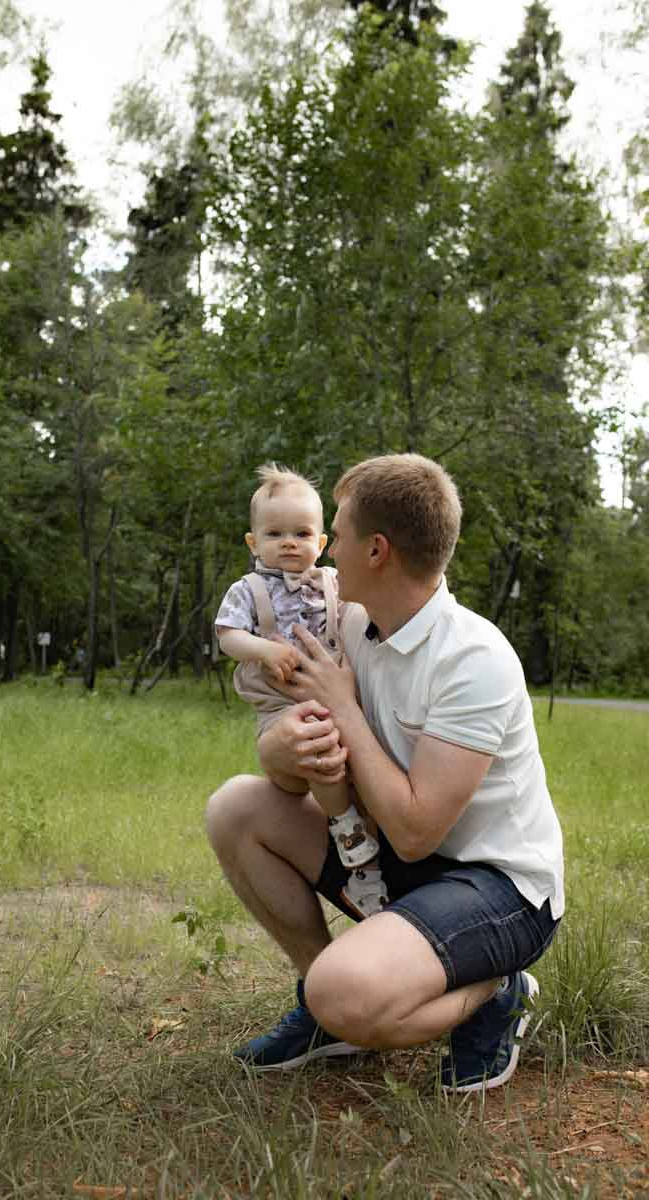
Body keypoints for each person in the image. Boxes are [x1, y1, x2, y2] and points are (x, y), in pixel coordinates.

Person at [206, 453, 563, 1091]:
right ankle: (330, 1016)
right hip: (401, 859)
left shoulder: (472, 658)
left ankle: (497, 991)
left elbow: (417, 831)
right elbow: (292, 775)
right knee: (237, 807)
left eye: (334, 535)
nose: (323, 550)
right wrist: (281, 750)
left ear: (375, 552)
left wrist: (343, 706)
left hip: (499, 887)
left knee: (345, 991)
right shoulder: (348, 624)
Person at [215, 463, 387, 918]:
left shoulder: (333, 583)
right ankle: (347, 833)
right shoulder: (248, 590)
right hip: (280, 701)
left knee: (361, 758)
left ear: (322, 543)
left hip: (335, 697)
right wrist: (263, 651)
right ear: (254, 543)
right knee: (319, 752)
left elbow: (358, 620)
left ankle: (368, 839)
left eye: (302, 533)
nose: (289, 543)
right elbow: (227, 635)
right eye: (275, 534)